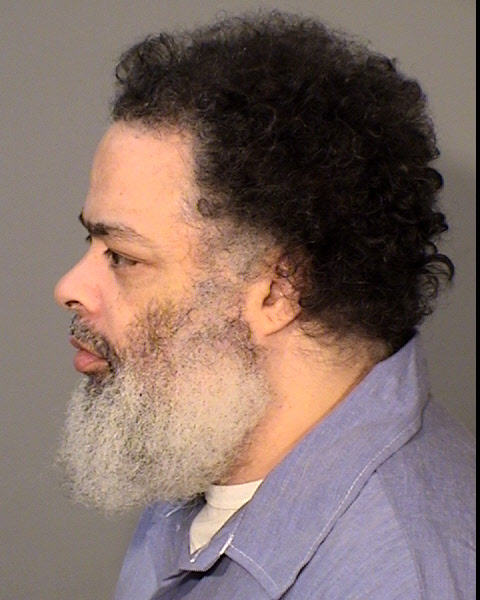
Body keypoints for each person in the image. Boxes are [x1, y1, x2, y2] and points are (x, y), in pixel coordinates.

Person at [54, 11, 475, 600]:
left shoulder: (402, 577)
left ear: (278, 290)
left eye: (122, 256)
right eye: (90, 243)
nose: (69, 286)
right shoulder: (203, 443)